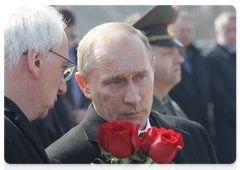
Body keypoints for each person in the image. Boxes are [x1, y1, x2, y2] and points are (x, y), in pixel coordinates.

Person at [46, 1, 220, 170]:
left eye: (141, 77)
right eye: (115, 82)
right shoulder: (61, 161)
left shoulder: (193, 136)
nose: (133, 98)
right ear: (84, 85)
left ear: (152, 68)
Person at [0, 0, 76, 169]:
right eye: (63, 69)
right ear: (36, 61)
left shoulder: (10, 126)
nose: (63, 87)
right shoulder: (4, 135)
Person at [133, 0, 187, 119]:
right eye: (169, 53)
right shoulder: (139, 115)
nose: (180, 59)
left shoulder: (169, 104)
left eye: (177, 52)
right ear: (143, 60)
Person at [206, 11, 240, 170]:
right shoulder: (212, 57)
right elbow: (220, 95)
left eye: (236, 30)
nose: (232, 34)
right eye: (228, 30)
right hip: (227, 128)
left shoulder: (237, 55)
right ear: (218, 32)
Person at [167, 11, 210, 132]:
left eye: (189, 30)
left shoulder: (199, 56)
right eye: (181, 30)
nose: (185, 34)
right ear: (172, 31)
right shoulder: (167, 58)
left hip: (202, 121)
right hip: (178, 123)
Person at [56, 6, 92, 126]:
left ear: (71, 27)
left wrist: (88, 111)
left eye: (59, 27)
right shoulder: (49, 54)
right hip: (62, 123)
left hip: (88, 119)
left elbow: (97, 82)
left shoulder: (86, 51)